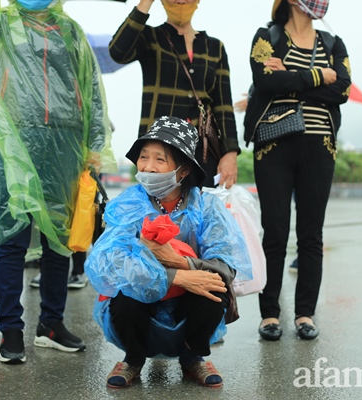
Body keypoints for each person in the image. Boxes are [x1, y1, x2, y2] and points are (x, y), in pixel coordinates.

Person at [0, 0, 115, 364]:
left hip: (66, 143)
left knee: (60, 240)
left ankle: (51, 325)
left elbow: (91, 91)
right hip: (16, 142)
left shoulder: (70, 31)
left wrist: (96, 144)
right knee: (12, 235)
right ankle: (10, 329)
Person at [86, 116, 252, 388]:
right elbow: (107, 261)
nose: (148, 168)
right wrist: (175, 276)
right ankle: (133, 359)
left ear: (183, 170)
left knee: (215, 288)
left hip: (188, 301)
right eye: (143, 157)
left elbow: (226, 266)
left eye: (160, 160)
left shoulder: (207, 207)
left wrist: (183, 263)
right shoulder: (129, 203)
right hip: (142, 299)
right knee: (126, 292)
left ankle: (192, 356)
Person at [244, 0, 350, 341]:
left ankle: (305, 313)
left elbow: (344, 89)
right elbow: (264, 80)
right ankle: (269, 314)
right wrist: (319, 75)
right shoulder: (267, 36)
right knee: (274, 232)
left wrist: (289, 76)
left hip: (320, 149)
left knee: (311, 235)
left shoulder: (332, 43)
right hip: (274, 146)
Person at [109, 0, 240, 188]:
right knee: (159, 214)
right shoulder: (150, 37)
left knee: (202, 212)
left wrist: (230, 152)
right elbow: (118, 51)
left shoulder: (214, 48)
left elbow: (223, 104)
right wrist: (146, 2)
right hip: (160, 149)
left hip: (203, 149)